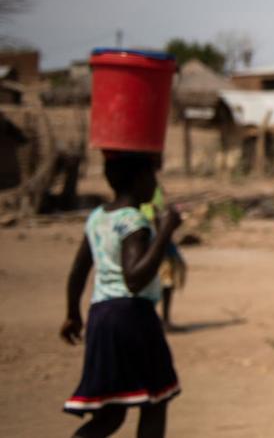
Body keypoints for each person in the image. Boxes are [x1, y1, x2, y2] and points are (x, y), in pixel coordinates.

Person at [60, 152, 182, 438]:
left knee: (110, 414)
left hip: (101, 318)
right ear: (139, 179)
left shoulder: (97, 218)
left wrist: (72, 313)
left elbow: (78, 271)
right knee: (156, 401)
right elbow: (135, 279)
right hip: (132, 317)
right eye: (151, 176)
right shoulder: (133, 221)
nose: (155, 183)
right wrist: (165, 232)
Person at [140, 186, 187, 330]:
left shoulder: (152, 196)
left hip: (161, 249)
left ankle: (162, 319)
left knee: (164, 285)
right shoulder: (147, 204)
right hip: (159, 250)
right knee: (164, 285)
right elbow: (157, 225)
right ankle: (162, 320)